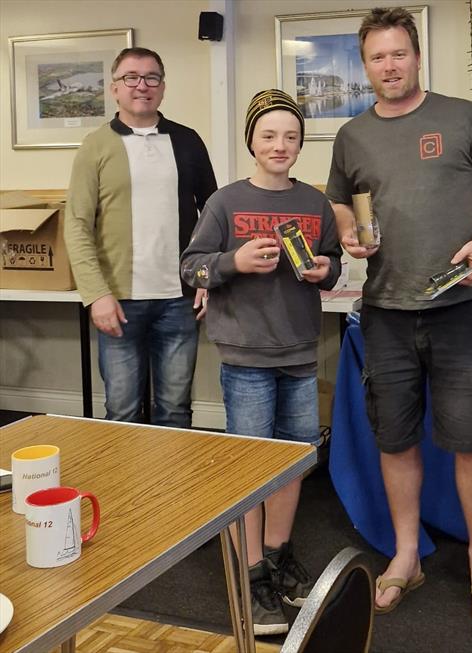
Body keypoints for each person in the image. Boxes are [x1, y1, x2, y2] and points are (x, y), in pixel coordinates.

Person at [326, 7, 472, 624]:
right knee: (395, 437)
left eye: (399, 53)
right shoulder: (353, 134)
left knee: (471, 439)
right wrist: (351, 236)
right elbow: (339, 206)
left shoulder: (461, 116)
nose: (390, 65)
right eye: (378, 57)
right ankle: (406, 554)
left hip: (458, 308)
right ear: (365, 66)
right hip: (383, 311)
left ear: (416, 55)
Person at [180, 89, 342, 635]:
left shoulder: (315, 204)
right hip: (245, 355)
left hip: (300, 352)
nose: (281, 145)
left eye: (291, 136)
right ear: (251, 140)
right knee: (252, 467)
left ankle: (277, 556)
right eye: (269, 135)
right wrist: (234, 260)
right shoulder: (225, 203)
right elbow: (192, 268)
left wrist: (325, 270)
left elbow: (334, 263)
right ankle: (250, 571)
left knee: (294, 460)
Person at [65, 47, 217, 427]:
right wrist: (96, 295)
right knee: (122, 412)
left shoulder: (188, 142)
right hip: (118, 303)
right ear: (115, 88)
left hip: (179, 301)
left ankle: (172, 487)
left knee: (176, 410)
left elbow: (214, 217)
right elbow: (77, 224)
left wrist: (207, 279)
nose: (142, 85)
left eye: (151, 77)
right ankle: (126, 488)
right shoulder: (95, 147)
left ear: (162, 88)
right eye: (131, 77)